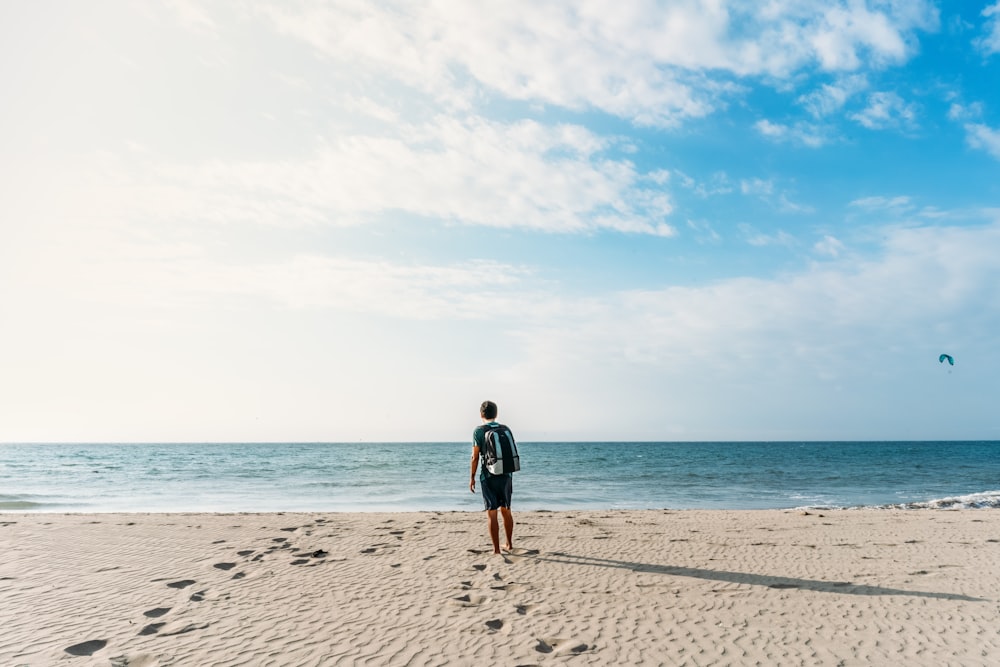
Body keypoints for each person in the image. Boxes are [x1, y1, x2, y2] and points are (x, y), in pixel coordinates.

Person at [469, 400, 514, 554]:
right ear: (496, 414)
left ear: (481, 414)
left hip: (488, 476)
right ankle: (509, 544)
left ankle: (496, 550)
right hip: (506, 475)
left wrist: (472, 477)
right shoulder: (505, 428)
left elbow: (475, 457)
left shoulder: (479, 431)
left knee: (491, 513)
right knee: (506, 510)